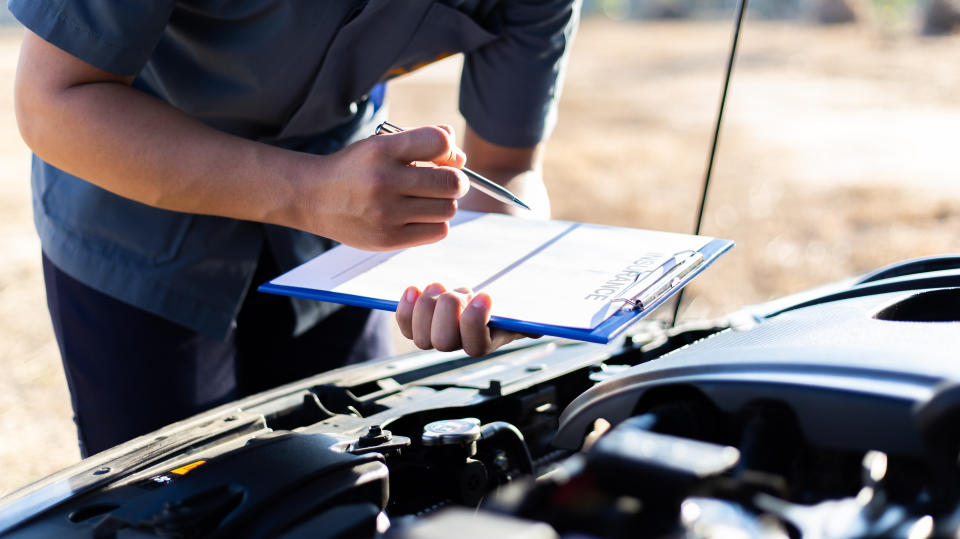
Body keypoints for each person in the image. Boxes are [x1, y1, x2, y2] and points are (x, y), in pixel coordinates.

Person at [9, 0, 579, 456]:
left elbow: (506, 167)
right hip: (133, 218)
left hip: (339, 233)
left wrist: (500, 276)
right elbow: (53, 100)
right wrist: (309, 194)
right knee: (170, 505)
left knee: (346, 479)